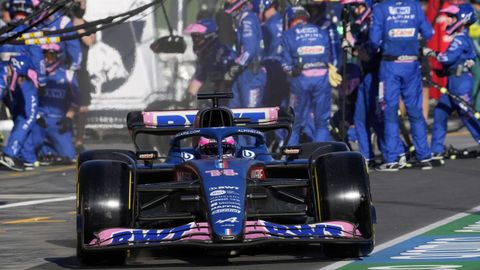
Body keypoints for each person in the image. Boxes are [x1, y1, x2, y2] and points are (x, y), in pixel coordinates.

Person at [369, 0, 434, 171]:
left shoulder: (380, 8)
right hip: (411, 64)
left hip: (390, 65)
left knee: (388, 110)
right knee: (415, 110)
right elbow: (428, 32)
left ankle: (392, 158)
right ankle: (424, 157)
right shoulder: (414, 6)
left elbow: (374, 40)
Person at [280, 5, 341, 145]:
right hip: (322, 80)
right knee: (321, 123)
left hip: (300, 82)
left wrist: (292, 71)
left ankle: (290, 157)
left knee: (294, 124)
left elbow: (286, 66)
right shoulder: (321, 32)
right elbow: (329, 58)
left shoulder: (288, 35)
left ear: (289, 20)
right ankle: (321, 157)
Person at [430, 3, 480, 160]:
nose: (449, 20)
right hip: (452, 83)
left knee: (468, 115)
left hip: (461, 83)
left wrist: (430, 52)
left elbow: (446, 58)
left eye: (452, 17)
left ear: (462, 20)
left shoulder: (460, 39)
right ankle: (436, 150)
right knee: (440, 112)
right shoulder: (457, 38)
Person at [26, 43, 79, 164]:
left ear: (57, 56)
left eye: (49, 56)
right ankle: (43, 150)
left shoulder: (68, 75)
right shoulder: (33, 74)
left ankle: (49, 150)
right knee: (30, 150)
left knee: (69, 156)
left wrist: (68, 118)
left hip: (58, 122)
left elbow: (76, 101)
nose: (46, 59)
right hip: (39, 120)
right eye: (43, 55)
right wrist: (36, 116)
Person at [224, 0, 266, 108]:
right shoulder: (241, 17)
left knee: (251, 116)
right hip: (242, 74)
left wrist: (237, 66)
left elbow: (250, 49)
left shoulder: (247, 18)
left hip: (252, 75)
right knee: (233, 114)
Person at [0, 55, 39, 171]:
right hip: (19, 109)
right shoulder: (8, 80)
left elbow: (28, 116)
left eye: (11, 68)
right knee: (24, 122)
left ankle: (16, 155)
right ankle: (19, 157)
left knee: (24, 123)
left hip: (26, 111)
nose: (8, 70)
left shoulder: (26, 87)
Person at [184, 18, 234, 100]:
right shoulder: (204, 56)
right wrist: (189, 98)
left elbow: (233, 74)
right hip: (217, 93)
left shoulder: (222, 52)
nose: (195, 42)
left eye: (197, 38)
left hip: (231, 93)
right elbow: (199, 77)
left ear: (209, 36)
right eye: (193, 38)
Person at [69, 0, 96, 154]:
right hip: (67, 68)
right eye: (80, 3)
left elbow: (90, 40)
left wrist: (78, 26)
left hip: (81, 70)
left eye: (84, 3)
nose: (82, 6)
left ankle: (79, 141)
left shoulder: (86, 24)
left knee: (83, 107)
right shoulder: (66, 23)